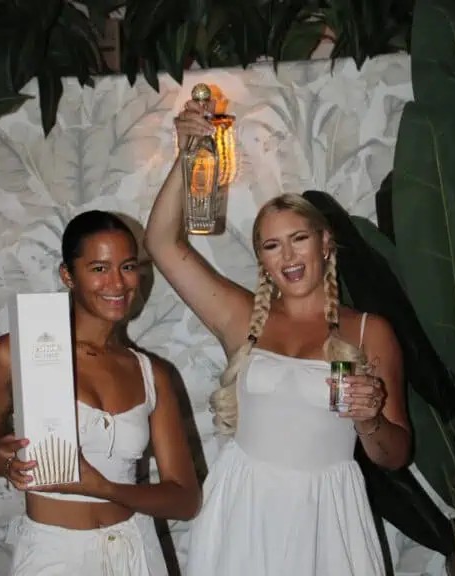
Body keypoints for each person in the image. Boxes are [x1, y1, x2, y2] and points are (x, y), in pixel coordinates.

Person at [145, 97, 411, 575]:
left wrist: (369, 420)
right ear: (263, 260)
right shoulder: (241, 316)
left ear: (325, 243)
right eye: (271, 245)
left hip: (325, 519)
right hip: (244, 508)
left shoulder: (370, 330)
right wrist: (186, 153)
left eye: (299, 238)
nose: (287, 255)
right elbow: (163, 244)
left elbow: (394, 456)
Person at [0, 210, 201, 575]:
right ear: (68, 275)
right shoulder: (15, 354)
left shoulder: (152, 374)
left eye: (128, 266)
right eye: (99, 268)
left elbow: (185, 500)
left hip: (136, 550)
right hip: (55, 555)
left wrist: (104, 487)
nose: (118, 284)